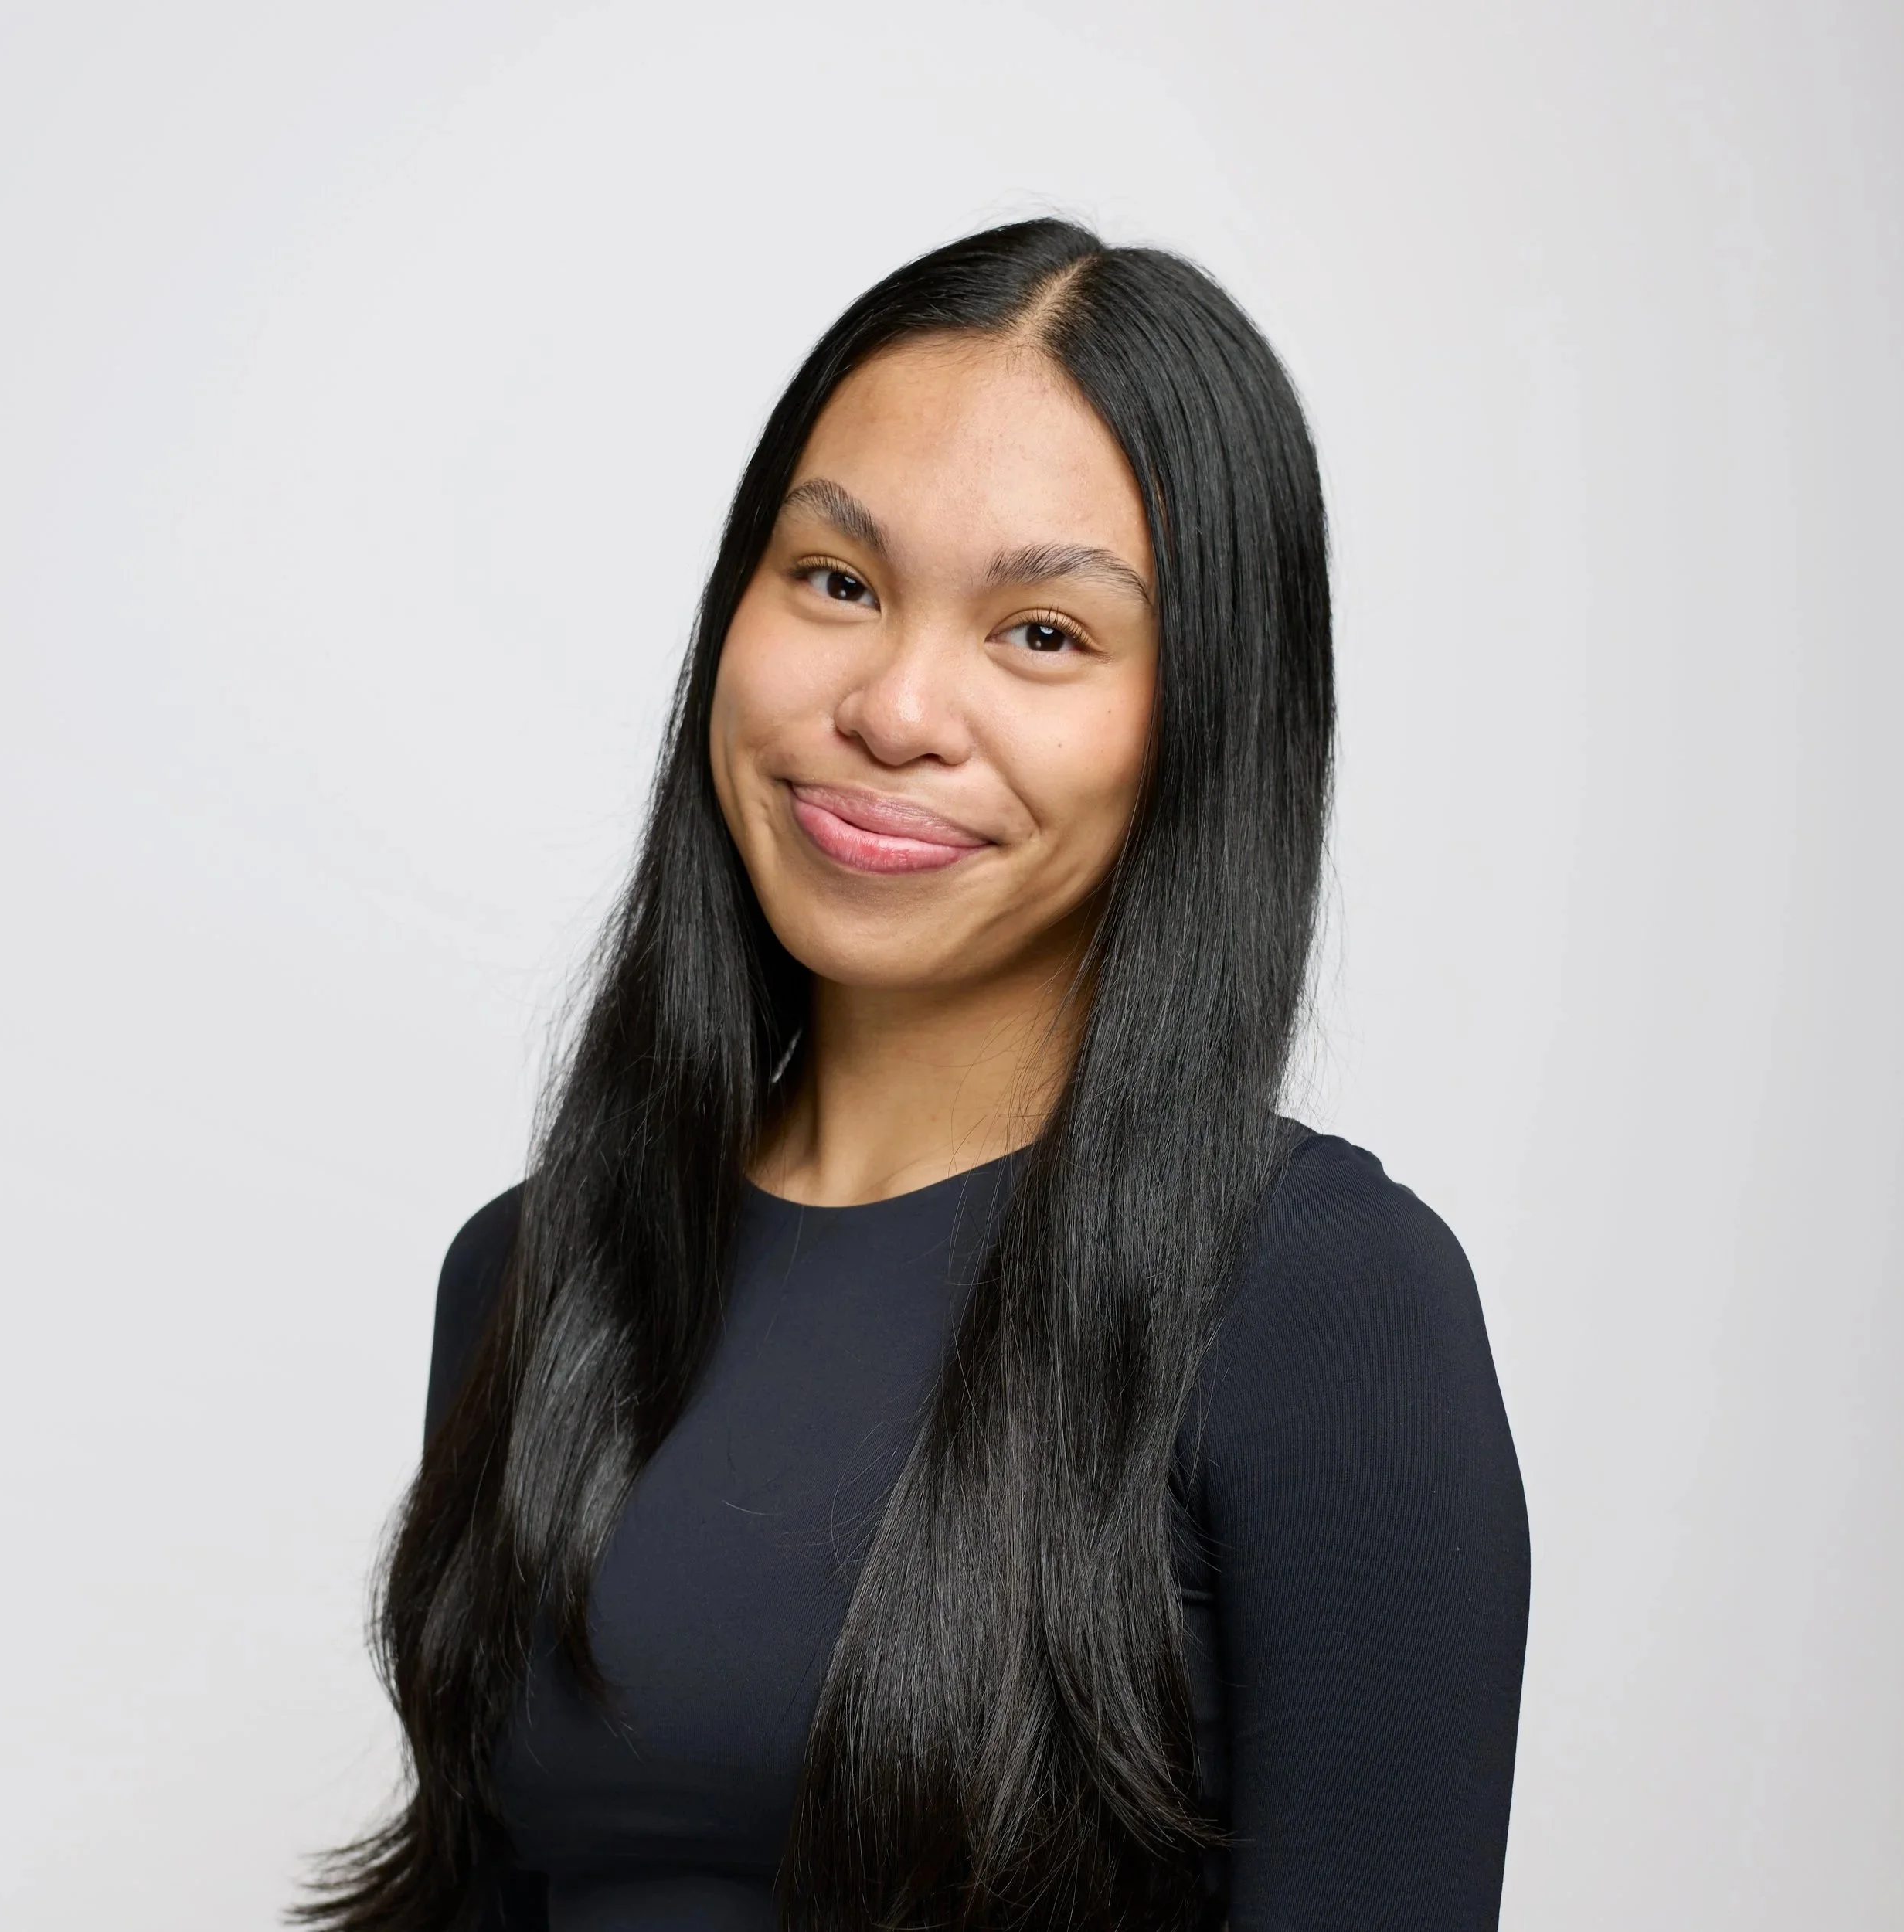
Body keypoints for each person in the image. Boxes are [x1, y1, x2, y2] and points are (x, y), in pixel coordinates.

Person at [303, 219, 1530, 1932]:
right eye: (838, 582)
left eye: (1042, 633)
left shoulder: (1319, 1299)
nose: (893, 709)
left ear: (1203, 724)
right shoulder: (532, 1268)